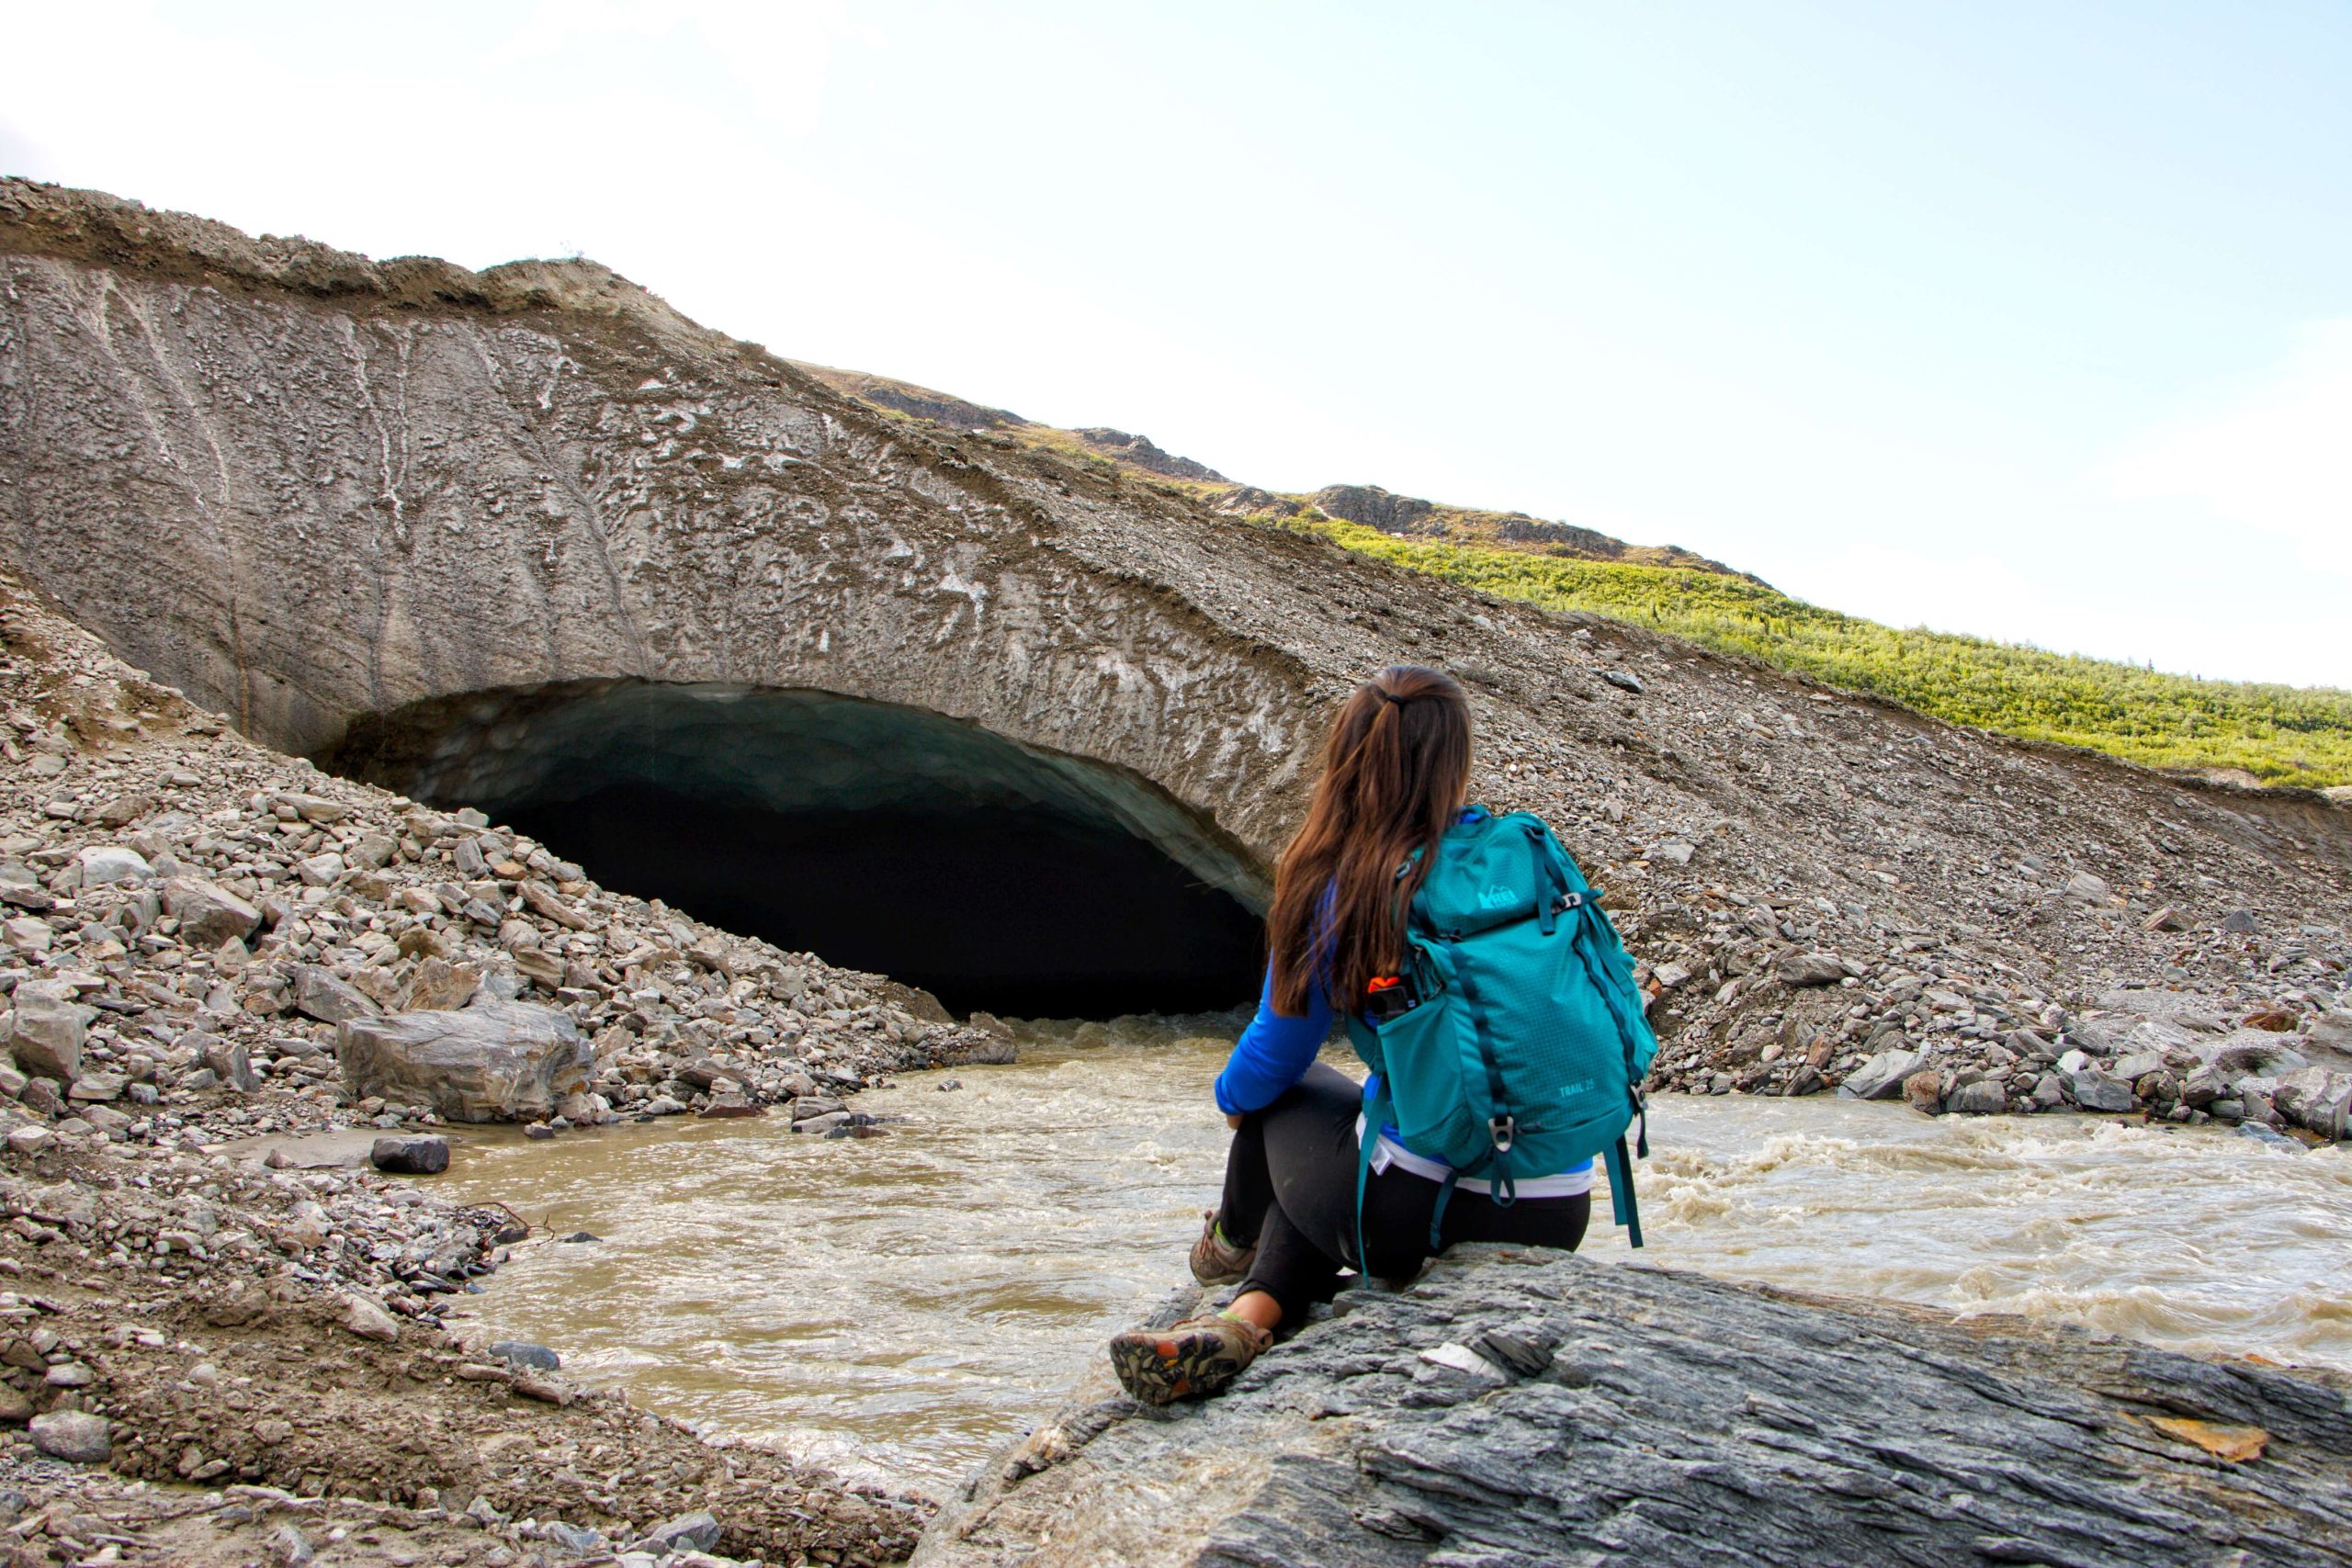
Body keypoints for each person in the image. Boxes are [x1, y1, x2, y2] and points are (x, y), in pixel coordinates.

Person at [1108, 664, 1596, 1406]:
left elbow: (1275, 1056)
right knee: (1349, 1147)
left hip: (1415, 1215)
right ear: (1455, 759)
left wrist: (1233, 1103)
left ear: (1347, 755)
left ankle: (1229, 1246)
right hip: (1557, 1208)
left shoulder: (1343, 879)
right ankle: (1251, 1315)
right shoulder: (1524, 856)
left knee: (1288, 1102)